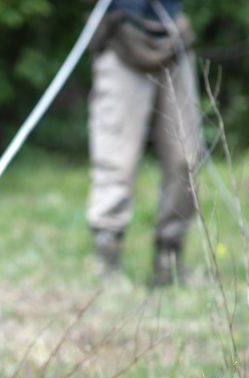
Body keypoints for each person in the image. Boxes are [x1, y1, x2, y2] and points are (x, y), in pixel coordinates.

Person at [87, 0, 202, 286]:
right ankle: (106, 262)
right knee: (116, 158)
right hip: (121, 33)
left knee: (185, 157)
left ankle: (170, 260)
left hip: (173, 34)